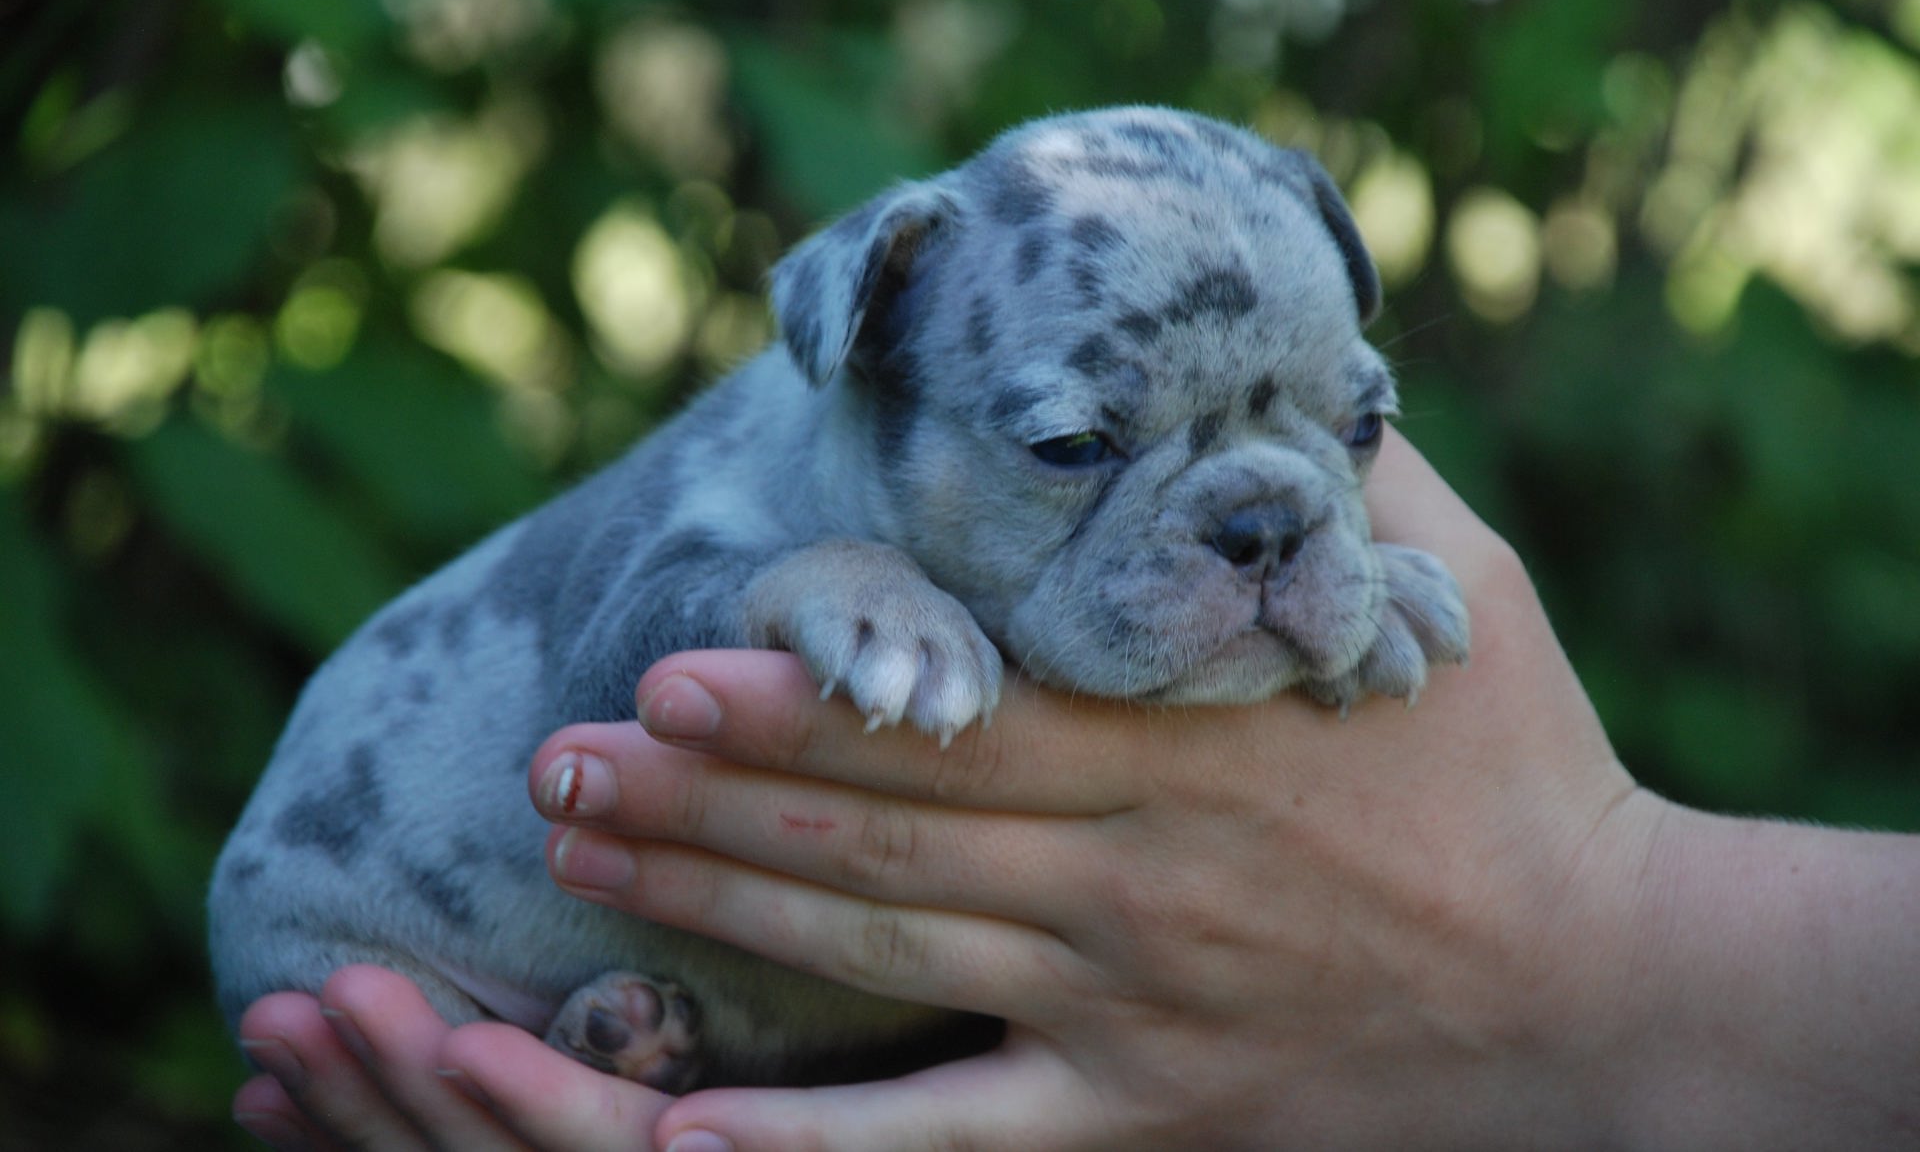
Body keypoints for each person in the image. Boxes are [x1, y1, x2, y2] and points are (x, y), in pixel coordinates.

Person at [230, 431, 1920, 1151]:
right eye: (1072, 440)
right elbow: (638, 659)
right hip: (404, 937)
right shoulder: (777, 467)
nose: (1262, 505)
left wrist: (1590, 940)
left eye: (1338, 419)